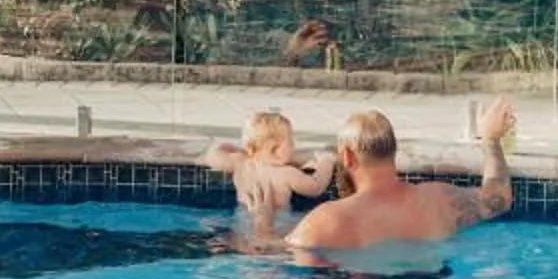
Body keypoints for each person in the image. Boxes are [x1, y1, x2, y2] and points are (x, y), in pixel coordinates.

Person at [288, 98, 515, 251]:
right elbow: (499, 198)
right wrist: (490, 139)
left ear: (347, 157)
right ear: (394, 152)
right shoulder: (439, 200)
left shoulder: (324, 222)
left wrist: (261, 219)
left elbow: (272, 254)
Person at [201, 109, 333, 231]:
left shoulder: (241, 164)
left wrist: (229, 147)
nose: (294, 147)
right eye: (291, 142)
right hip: (279, 223)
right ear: (275, 150)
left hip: (242, 220)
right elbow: (316, 186)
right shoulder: (286, 173)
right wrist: (326, 162)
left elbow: (212, 156)